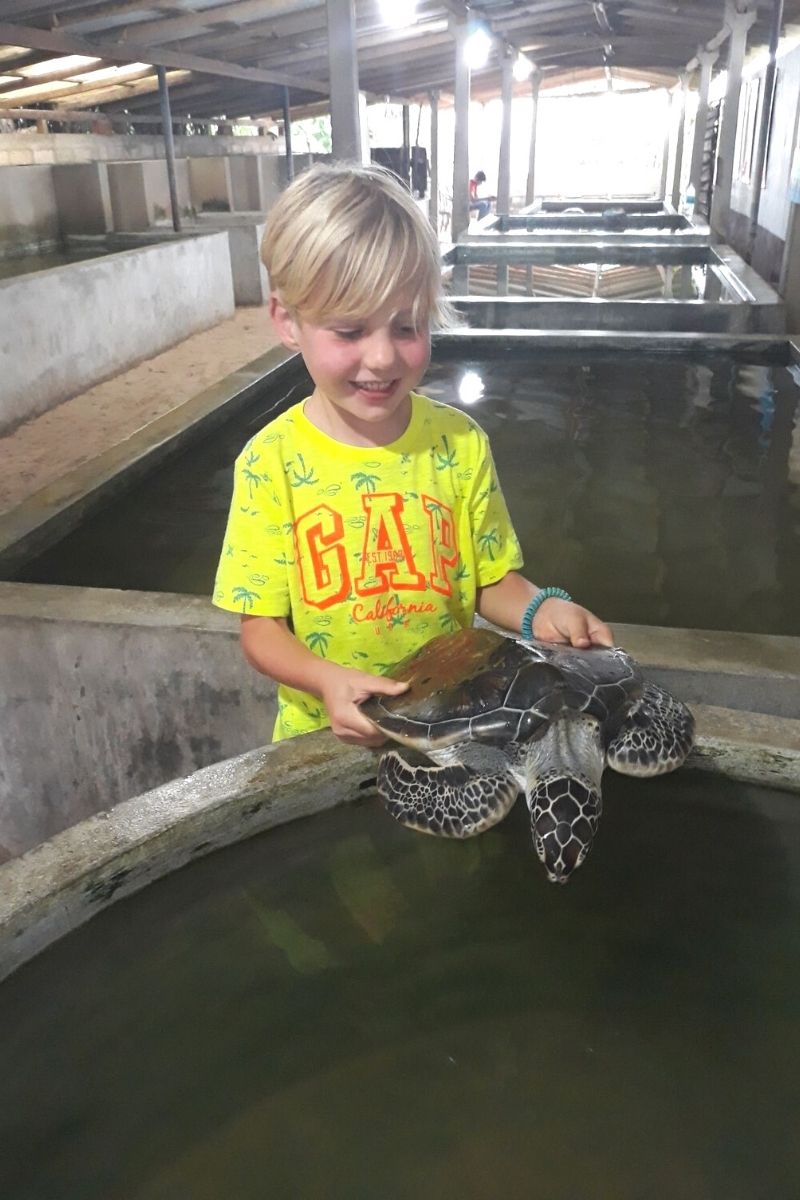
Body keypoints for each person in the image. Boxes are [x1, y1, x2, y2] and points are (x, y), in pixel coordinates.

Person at [213, 162, 613, 746]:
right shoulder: (269, 462)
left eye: (406, 327)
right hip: (325, 733)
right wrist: (325, 679)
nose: (381, 358)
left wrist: (542, 612)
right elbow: (261, 628)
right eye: (349, 332)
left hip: (453, 726)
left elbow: (486, 581)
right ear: (287, 321)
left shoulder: (460, 444)